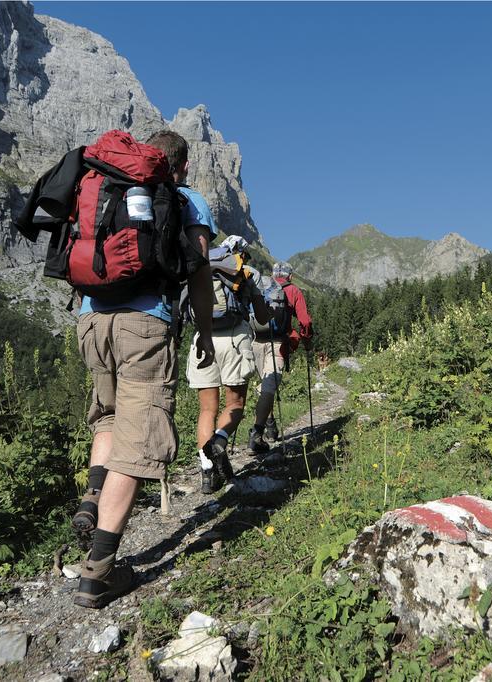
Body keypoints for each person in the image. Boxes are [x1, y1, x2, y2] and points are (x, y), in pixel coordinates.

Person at [70, 129, 216, 609]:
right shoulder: (185, 198)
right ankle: (99, 572)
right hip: (143, 325)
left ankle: (92, 498)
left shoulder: (105, 180)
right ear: (184, 164)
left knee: (109, 418)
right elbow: (198, 272)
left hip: (91, 319)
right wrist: (205, 332)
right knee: (139, 444)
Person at [188, 235, 271, 493]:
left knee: (206, 410)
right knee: (234, 404)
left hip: (203, 338)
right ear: (242, 253)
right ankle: (220, 442)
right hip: (234, 338)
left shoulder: (202, 266)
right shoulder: (245, 272)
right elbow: (262, 317)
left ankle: (206, 472)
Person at [248, 260, 312, 454]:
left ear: (273, 275)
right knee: (269, 386)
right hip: (277, 343)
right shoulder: (293, 291)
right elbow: (305, 321)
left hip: (255, 342)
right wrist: (306, 341)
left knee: (265, 384)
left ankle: (269, 424)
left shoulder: (260, 286)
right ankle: (257, 432)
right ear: (290, 276)